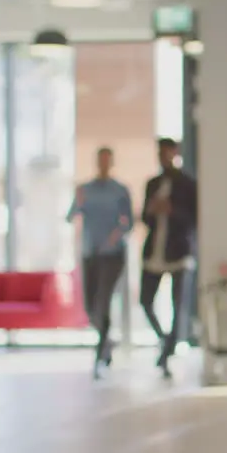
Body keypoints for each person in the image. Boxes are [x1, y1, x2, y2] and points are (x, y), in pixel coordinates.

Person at [67, 146, 133, 377]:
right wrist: (77, 201)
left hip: (112, 254)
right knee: (90, 307)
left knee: (103, 301)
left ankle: (100, 357)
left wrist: (115, 235)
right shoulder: (86, 189)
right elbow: (70, 217)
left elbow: (129, 223)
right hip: (90, 252)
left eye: (107, 159)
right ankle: (106, 342)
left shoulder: (119, 190)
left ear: (111, 162)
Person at [141, 138, 197, 377]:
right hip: (154, 250)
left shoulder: (187, 184)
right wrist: (152, 212)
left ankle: (168, 351)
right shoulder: (152, 184)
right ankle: (165, 340)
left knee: (178, 305)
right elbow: (145, 218)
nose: (163, 158)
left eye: (167, 153)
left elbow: (194, 219)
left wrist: (172, 211)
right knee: (145, 301)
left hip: (179, 251)